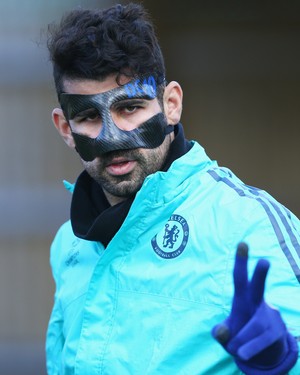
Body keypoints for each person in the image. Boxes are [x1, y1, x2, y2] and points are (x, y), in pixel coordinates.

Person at [46, 3, 300, 374]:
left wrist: (283, 361)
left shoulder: (248, 224)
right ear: (65, 128)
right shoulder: (68, 244)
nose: (113, 138)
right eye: (87, 116)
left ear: (171, 105)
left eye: (130, 107)